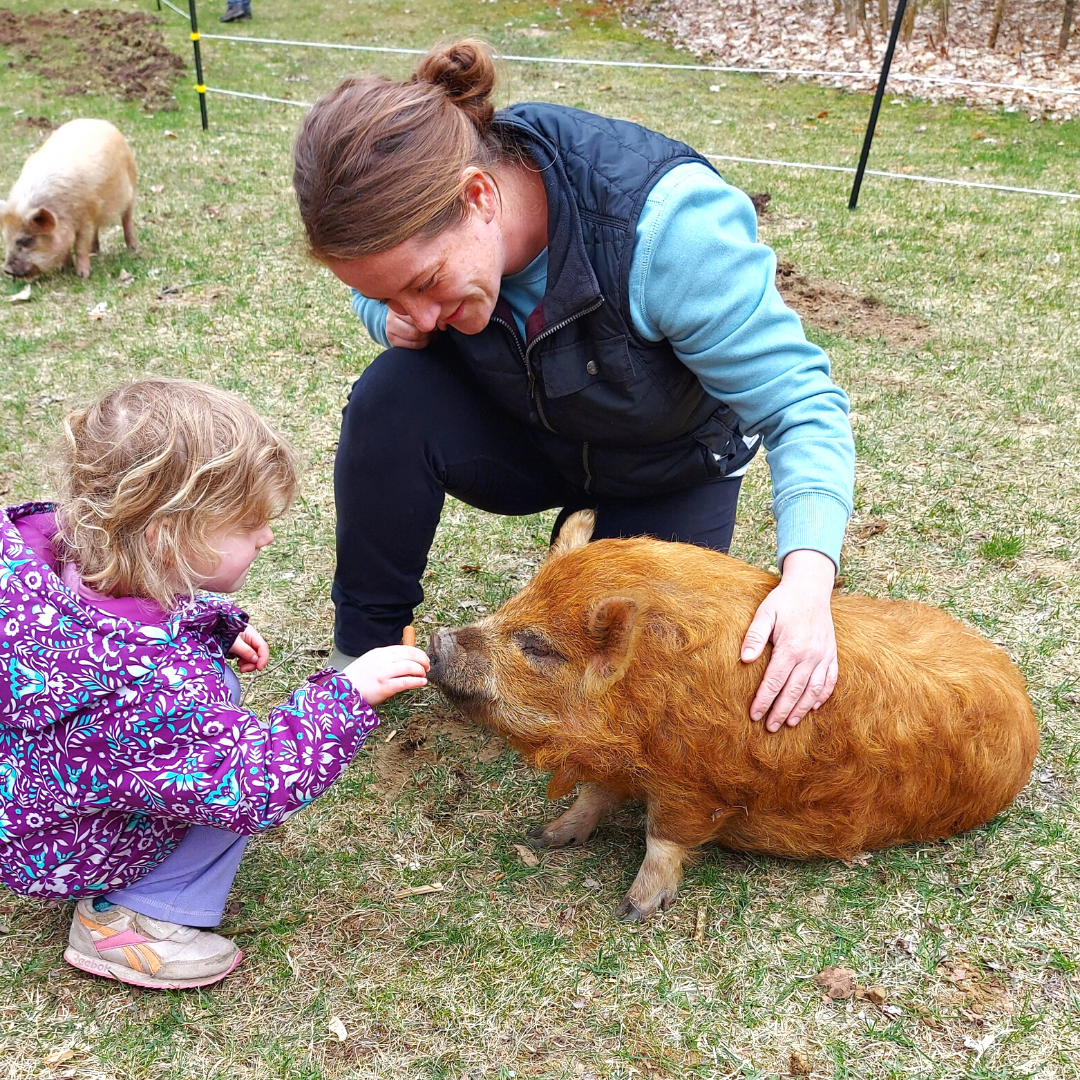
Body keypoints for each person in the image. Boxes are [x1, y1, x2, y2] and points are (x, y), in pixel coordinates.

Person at [292, 40, 855, 736]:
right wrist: (390, 315)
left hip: (666, 466)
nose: (419, 315)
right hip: (532, 436)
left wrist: (807, 582)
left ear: (478, 196)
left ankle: (606, 531)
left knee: (638, 694)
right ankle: (371, 647)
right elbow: (381, 297)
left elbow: (801, 407)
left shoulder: (670, 230)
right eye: (390, 295)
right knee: (392, 395)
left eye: (423, 285)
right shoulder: (430, 244)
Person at [0, 379, 429, 989]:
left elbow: (120, 612)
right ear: (167, 535)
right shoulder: (150, 684)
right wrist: (347, 692)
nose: (267, 537)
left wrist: (209, 627)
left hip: (31, 796)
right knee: (225, 781)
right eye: (250, 523)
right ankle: (126, 922)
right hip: (65, 843)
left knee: (205, 707)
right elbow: (252, 783)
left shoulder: (44, 565)